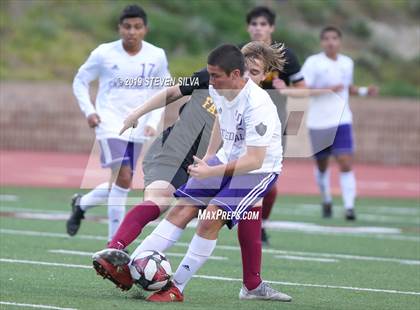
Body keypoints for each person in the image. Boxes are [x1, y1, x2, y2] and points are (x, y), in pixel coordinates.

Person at [93, 42, 291, 301]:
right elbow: (221, 116)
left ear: (236, 74)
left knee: (211, 216)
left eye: (215, 75)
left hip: (257, 171)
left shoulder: (259, 104)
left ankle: (176, 288)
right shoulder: (219, 86)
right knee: (181, 208)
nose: (209, 81)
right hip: (222, 159)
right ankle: (131, 269)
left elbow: (254, 160)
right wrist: (210, 156)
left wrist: (213, 170)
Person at [67, 5, 170, 241]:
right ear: (119, 28)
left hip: (138, 125)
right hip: (109, 122)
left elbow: (163, 89)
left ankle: (81, 204)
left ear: (145, 29)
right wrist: (89, 111)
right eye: (127, 27)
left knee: (120, 181)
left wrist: (153, 119)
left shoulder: (157, 55)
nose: (132, 32)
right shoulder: (104, 53)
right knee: (123, 177)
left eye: (137, 27)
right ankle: (115, 244)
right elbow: (80, 81)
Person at [301, 26, 378, 220]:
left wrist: (363, 91)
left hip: (342, 120)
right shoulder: (313, 62)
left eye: (334, 38)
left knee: (345, 162)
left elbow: (347, 88)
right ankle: (326, 199)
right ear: (321, 42)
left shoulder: (347, 63)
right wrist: (328, 89)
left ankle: (349, 207)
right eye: (326, 38)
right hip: (318, 122)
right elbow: (303, 88)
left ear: (340, 41)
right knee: (322, 165)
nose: (330, 42)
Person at [245, 6, 306, 244]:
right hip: (242, 125)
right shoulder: (241, 52)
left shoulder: (286, 56)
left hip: (273, 127)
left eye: (263, 24)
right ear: (248, 27)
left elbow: (303, 91)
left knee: (268, 185)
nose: (258, 28)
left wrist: (286, 89)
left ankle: (260, 225)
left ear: (271, 28)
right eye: (254, 24)